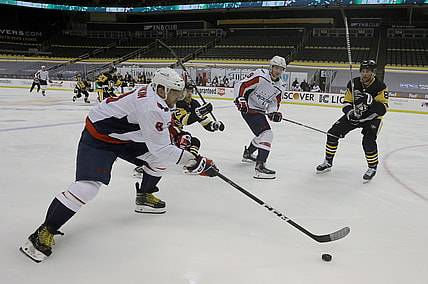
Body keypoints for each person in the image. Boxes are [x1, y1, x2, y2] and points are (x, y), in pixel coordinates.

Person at [20, 67, 217, 263]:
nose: (178, 97)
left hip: (124, 135)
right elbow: (162, 147)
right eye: (175, 93)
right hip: (100, 138)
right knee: (87, 188)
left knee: (158, 160)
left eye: (179, 92)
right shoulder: (151, 107)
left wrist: (178, 135)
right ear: (161, 90)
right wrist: (195, 161)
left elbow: (164, 126)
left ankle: (144, 196)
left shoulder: (157, 99)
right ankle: (44, 231)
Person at [316, 60, 389, 183]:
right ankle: (328, 162)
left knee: (368, 140)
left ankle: (372, 167)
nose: (365, 74)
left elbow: (383, 110)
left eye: (368, 72)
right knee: (332, 134)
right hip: (355, 116)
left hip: (372, 118)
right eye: (363, 71)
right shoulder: (353, 83)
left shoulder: (380, 86)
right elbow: (346, 103)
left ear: (373, 73)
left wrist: (370, 101)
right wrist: (350, 113)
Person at [133, 82, 225, 178]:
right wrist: (201, 112)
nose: (189, 94)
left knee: (195, 142)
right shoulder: (178, 103)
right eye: (187, 91)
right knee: (177, 140)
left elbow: (204, 122)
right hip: (165, 129)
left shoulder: (194, 103)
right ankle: (144, 166)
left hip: (176, 132)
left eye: (191, 91)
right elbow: (185, 120)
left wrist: (214, 125)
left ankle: (190, 165)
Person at [233, 55, 287, 179]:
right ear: (271, 67)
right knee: (267, 134)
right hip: (248, 108)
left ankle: (248, 153)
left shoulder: (281, 86)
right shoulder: (260, 75)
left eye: (281, 69)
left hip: (260, 111)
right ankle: (260, 166)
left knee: (262, 135)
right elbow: (242, 85)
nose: (278, 71)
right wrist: (240, 99)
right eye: (276, 68)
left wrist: (274, 113)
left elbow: (274, 103)